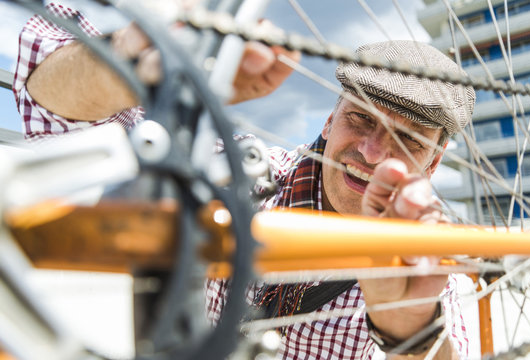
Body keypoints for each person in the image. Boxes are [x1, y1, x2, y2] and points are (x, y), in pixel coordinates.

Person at [14, 3, 475, 359]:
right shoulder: (227, 173)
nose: (372, 154)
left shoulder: (427, 275)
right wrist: (138, 63)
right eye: (360, 118)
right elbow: (54, 106)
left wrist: (413, 332)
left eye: (407, 142)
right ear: (331, 117)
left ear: (432, 165)